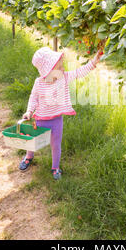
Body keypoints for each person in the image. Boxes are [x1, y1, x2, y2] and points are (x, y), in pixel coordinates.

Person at [20, 46, 103, 180]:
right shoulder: (39, 83)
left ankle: (55, 167)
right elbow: (33, 98)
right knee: (33, 140)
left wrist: (94, 61)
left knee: (55, 144)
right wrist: (29, 111)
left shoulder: (63, 78)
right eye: (59, 68)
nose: (63, 69)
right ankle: (29, 156)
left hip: (56, 121)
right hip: (41, 119)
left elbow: (79, 72)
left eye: (62, 66)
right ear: (47, 71)